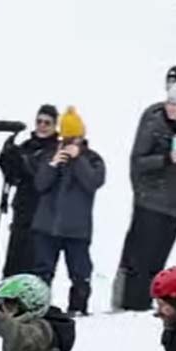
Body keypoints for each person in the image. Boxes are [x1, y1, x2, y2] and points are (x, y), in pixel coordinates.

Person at [121, 79, 176, 312]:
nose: (171, 107)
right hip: (149, 200)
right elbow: (137, 161)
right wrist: (165, 159)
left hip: (175, 204)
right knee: (140, 257)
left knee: (160, 256)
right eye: (169, 102)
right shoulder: (153, 123)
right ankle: (133, 303)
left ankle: (151, 301)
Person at [31, 108, 104, 315]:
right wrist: (53, 164)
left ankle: (78, 308)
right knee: (42, 272)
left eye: (74, 138)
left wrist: (78, 159)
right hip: (46, 226)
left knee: (80, 273)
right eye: (66, 137)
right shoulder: (50, 154)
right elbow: (40, 184)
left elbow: (93, 182)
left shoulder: (93, 158)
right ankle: (39, 308)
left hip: (77, 229)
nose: (70, 142)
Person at [0, 105, 60, 279]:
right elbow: (13, 176)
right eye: (39, 121)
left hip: (44, 211)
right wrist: (6, 157)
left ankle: (32, 302)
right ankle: (7, 299)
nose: (42, 126)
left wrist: (23, 161)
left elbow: (42, 172)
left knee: (36, 262)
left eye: (47, 122)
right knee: (14, 259)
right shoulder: (27, 145)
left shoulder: (57, 149)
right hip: (22, 208)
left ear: (55, 125)